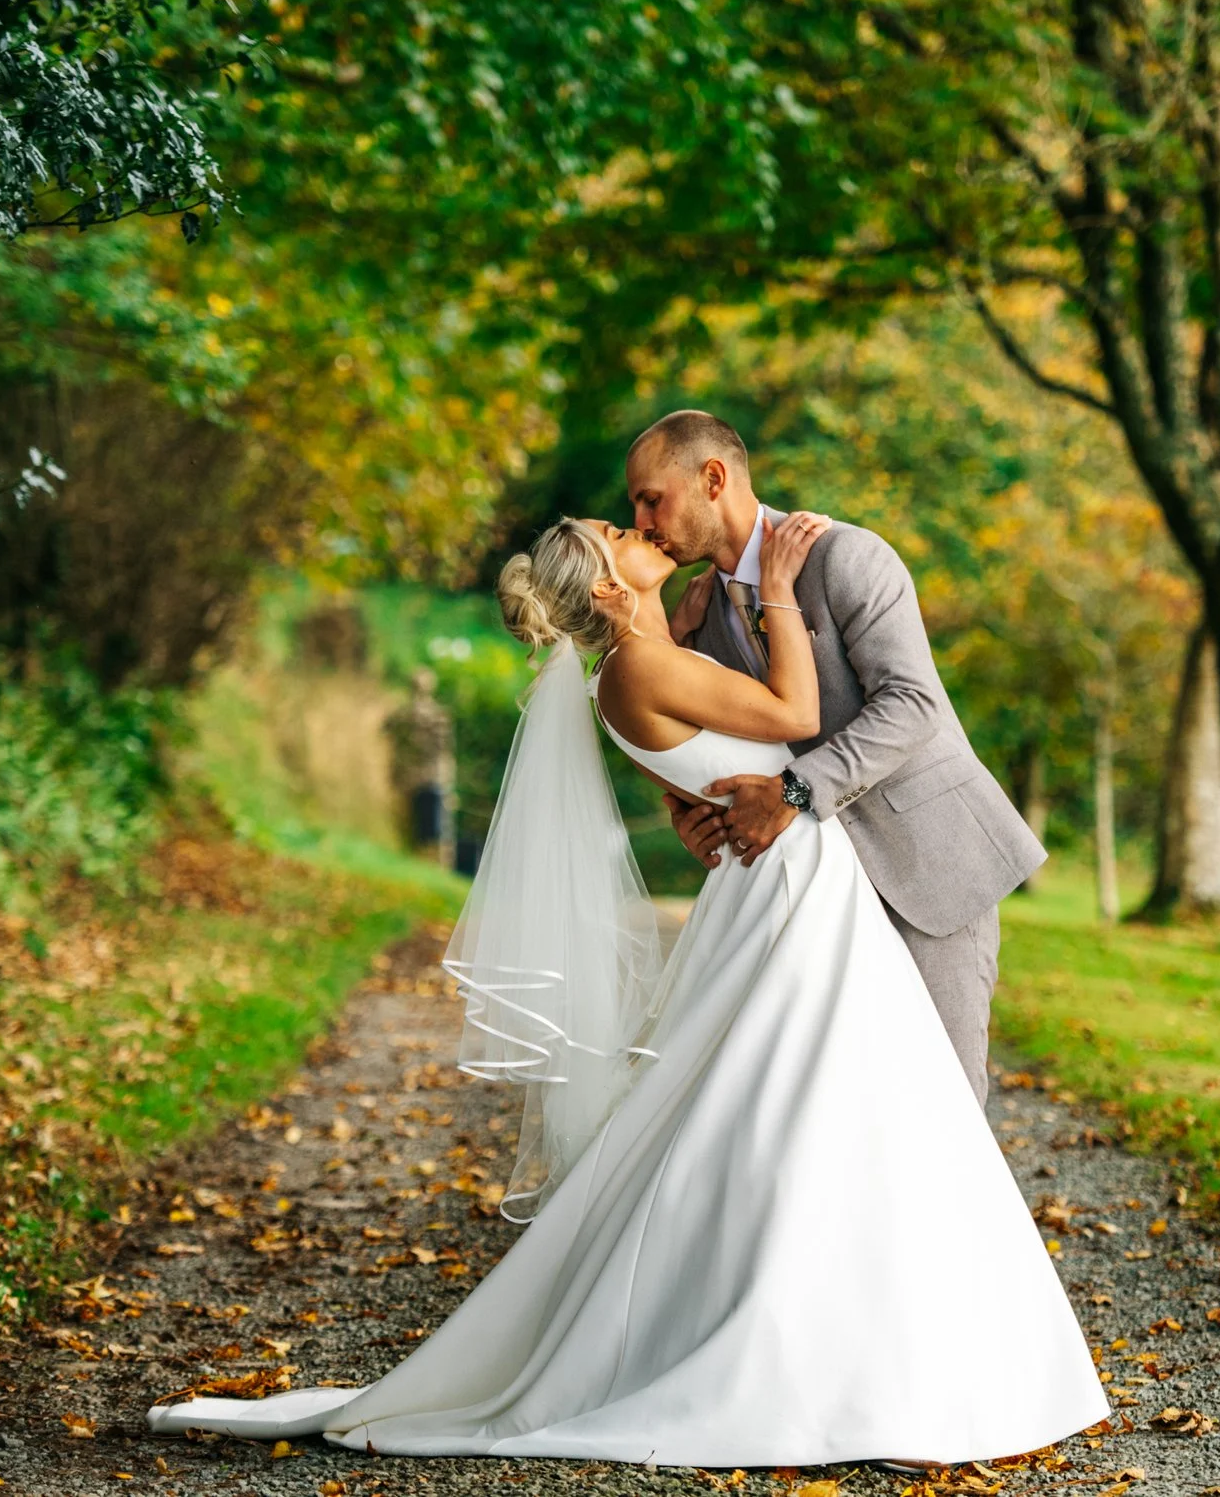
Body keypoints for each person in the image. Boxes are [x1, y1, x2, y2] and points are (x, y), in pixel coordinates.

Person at [147, 509, 1105, 1466]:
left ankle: (886, 1344)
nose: (640, 522)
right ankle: (838, 1355)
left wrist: (694, 710)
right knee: (811, 1104)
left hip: (796, 876)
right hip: (792, 881)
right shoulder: (636, 667)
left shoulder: (650, 653)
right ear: (608, 587)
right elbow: (794, 720)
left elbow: (711, 751)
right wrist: (775, 591)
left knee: (827, 1103)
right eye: (623, 526)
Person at [628, 410, 1044, 1103]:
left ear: (713, 478)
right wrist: (694, 814)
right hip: (815, 893)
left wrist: (792, 793)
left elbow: (913, 703)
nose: (642, 520)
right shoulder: (699, 617)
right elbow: (719, 748)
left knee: (944, 1097)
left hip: (925, 864)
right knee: (848, 1104)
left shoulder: (846, 556)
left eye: (651, 497)